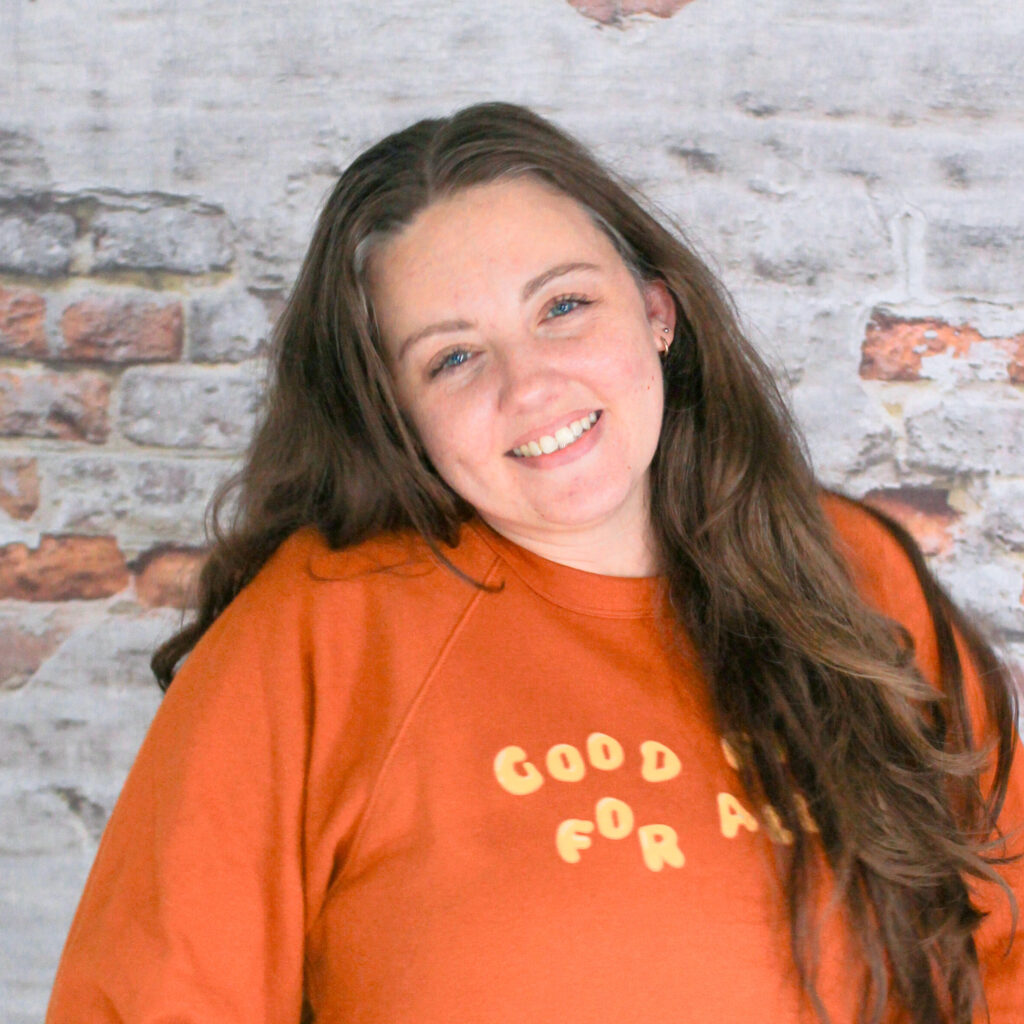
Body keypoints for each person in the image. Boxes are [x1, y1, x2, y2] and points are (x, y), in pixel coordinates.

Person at [46, 102, 1022, 1024]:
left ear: (655, 311)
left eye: (562, 306)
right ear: (397, 415)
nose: (531, 385)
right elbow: (151, 996)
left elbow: (1007, 942)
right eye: (453, 358)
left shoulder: (848, 571)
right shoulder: (324, 627)